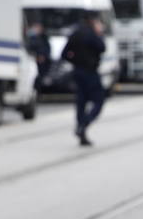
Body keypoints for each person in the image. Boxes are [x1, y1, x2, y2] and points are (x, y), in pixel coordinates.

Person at [62, 12, 106, 146]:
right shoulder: (91, 34)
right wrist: (100, 34)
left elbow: (64, 54)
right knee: (99, 100)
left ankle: (81, 131)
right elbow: (102, 47)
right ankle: (84, 124)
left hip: (78, 72)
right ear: (93, 21)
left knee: (81, 102)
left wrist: (75, 61)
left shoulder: (75, 34)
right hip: (90, 72)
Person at [26, 20, 52, 89]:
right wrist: (38, 56)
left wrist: (44, 56)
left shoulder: (44, 37)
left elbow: (47, 48)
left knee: (41, 75)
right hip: (35, 60)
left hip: (43, 60)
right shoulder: (33, 38)